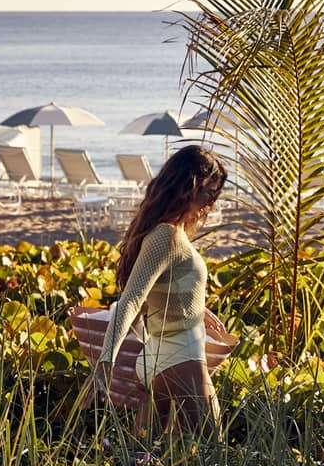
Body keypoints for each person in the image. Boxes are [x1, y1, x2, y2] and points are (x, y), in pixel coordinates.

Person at [94, 144, 228, 435]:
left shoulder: (172, 233)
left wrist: (197, 308)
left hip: (162, 356)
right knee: (213, 450)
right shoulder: (164, 236)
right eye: (208, 192)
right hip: (181, 355)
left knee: (143, 460)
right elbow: (132, 300)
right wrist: (106, 358)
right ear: (188, 187)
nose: (211, 202)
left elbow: (164, 286)